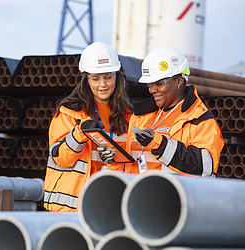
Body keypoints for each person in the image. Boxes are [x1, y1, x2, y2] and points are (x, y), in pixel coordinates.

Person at [43, 42, 132, 212]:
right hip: (69, 209)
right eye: (95, 78)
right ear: (86, 79)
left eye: (108, 77)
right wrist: (79, 133)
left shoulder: (127, 117)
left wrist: (114, 161)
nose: (102, 84)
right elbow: (59, 158)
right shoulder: (70, 113)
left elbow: (129, 167)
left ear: (117, 77)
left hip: (105, 206)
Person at [125, 46, 224, 176]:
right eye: (150, 84)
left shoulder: (201, 121)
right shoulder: (140, 117)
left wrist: (159, 144)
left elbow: (204, 167)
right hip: (139, 194)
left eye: (159, 83)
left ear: (179, 80)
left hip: (175, 195)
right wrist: (112, 161)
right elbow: (129, 166)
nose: (152, 90)